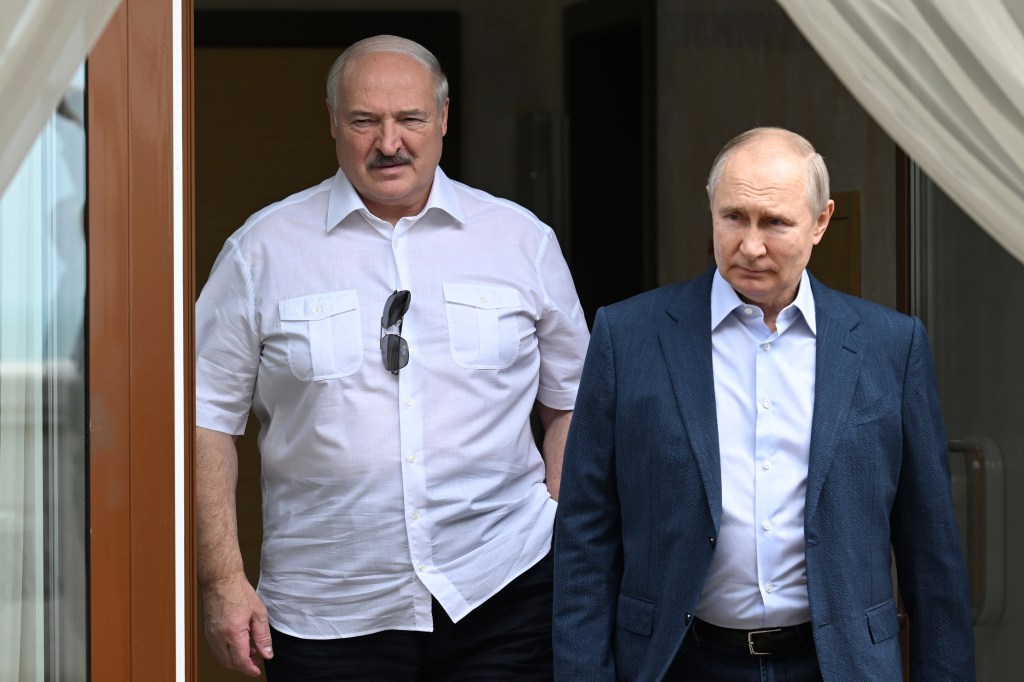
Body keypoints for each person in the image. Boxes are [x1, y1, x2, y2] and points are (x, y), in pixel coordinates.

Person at [196, 34, 589, 680]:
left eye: (408, 119)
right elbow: (204, 416)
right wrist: (222, 580)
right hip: (327, 608)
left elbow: (573, 400)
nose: (388, 142)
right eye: (364, 121)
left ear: (441, 118)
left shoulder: (521, 241)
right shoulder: (261, 250)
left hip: (504, 593)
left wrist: (560, 528)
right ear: (331, 123)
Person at [552, 127, 975, 681]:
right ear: (711, 208)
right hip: (679, 661)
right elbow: (585, 534)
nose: (750, 245)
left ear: (821, 221)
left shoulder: (890, 347)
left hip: (839, 664)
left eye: (775, 222)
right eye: (734, 217)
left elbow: (932, 553)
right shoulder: (628, 337)